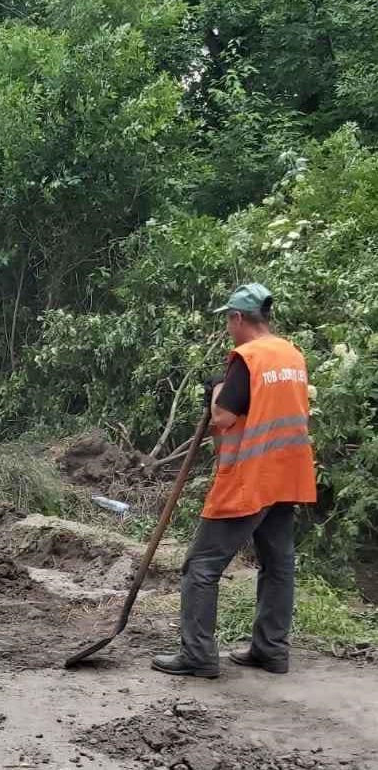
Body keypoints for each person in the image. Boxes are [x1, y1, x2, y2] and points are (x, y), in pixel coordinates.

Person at [152, 283, 316, 678]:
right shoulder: (291, 354)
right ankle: (271, 651)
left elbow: (223, 417)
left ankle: (198, 656)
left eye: (228, 319)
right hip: (287, 473)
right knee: (278, 563)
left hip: (250, 476)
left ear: (239, 318)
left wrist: (214, 391)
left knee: (201, 565)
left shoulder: (248, 357)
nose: (228, 327)